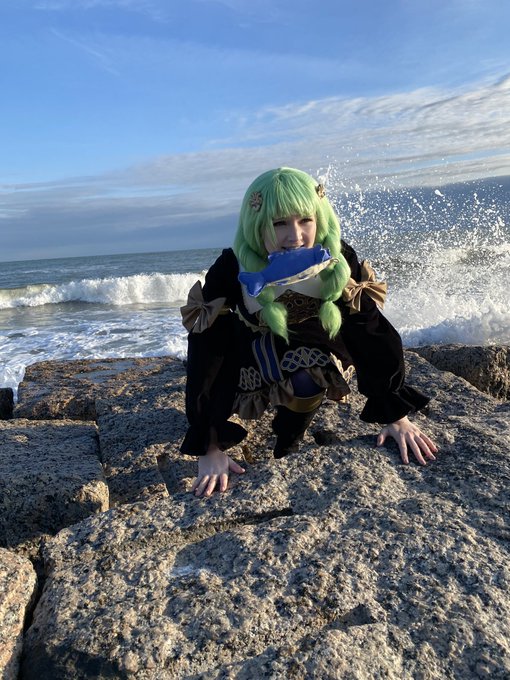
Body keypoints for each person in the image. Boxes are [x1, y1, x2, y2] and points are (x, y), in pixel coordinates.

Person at [180, 167, 437, 498]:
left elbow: (370, 330)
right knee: (235, 369)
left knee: (309, 373)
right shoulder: (232, 267)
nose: (295, 236)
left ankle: (288, 437)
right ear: (256, 224)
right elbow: (207, 345)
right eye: (279, 223)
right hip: (255, 347)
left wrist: (394, 413)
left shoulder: (337, 258)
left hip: (319, 342)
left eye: (305, 220)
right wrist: (209, 444)